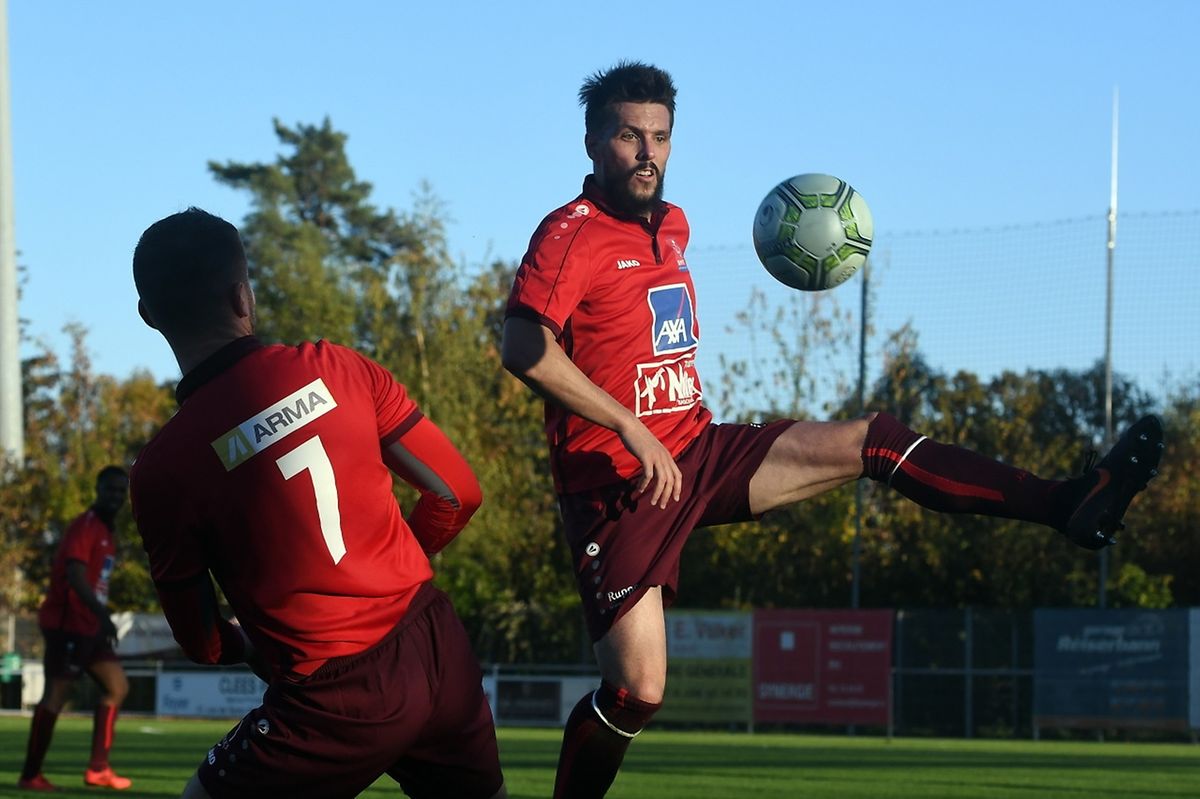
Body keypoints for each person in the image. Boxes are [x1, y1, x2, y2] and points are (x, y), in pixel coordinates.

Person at [500, 61, 1165, 799]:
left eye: (661, 136)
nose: (648, 152)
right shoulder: (569, 234)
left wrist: (661, 426)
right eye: (630, 135)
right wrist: (628, 426)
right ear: (594, 142)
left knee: (873, 439)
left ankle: (1067, 502)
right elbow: (523, 346)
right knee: (637, 691)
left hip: (699, 448)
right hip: (616, 485)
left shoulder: (674, 225)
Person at [128, 208, 507, 799]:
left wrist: (247, 644)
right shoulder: (340, 367)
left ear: (148, 316)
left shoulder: (161, 469)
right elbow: (458, 493)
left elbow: (199, 641)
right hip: (434, 645)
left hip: (332, 695)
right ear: (242, 295)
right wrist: (386, 563)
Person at [19, 466, 134, 792]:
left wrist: (99, 619)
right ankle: (30, 775)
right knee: (55, 695)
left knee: (117, 686)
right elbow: (75, 574)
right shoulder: (84, 526)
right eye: (110, 489)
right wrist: (103, 614)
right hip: (67, 624)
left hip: (90, 626)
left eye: (120, 490)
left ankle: (98, 768)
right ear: (97, 490)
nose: (116, 496)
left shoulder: (107, 532)